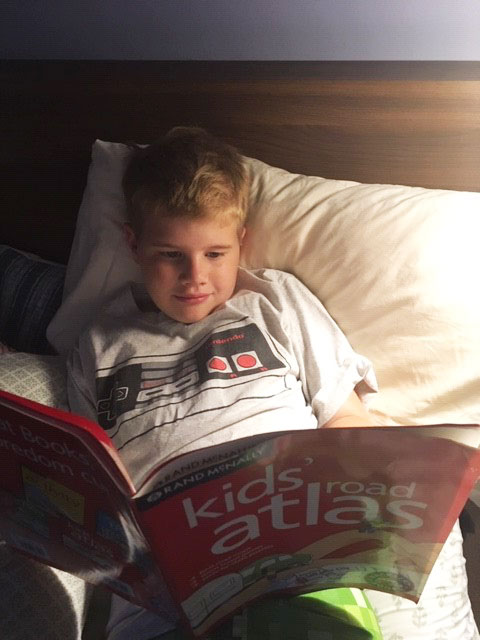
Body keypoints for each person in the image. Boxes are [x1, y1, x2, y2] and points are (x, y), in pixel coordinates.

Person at [66, 128, 477, 639]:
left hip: (299, 572)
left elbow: (344, 418)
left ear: (241, 243)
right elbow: (86, 476)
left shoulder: (273, 303)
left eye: (214, 254)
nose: (195, 277)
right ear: (133, 244)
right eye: (171, 255)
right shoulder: (100, 342)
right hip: (167, 600)